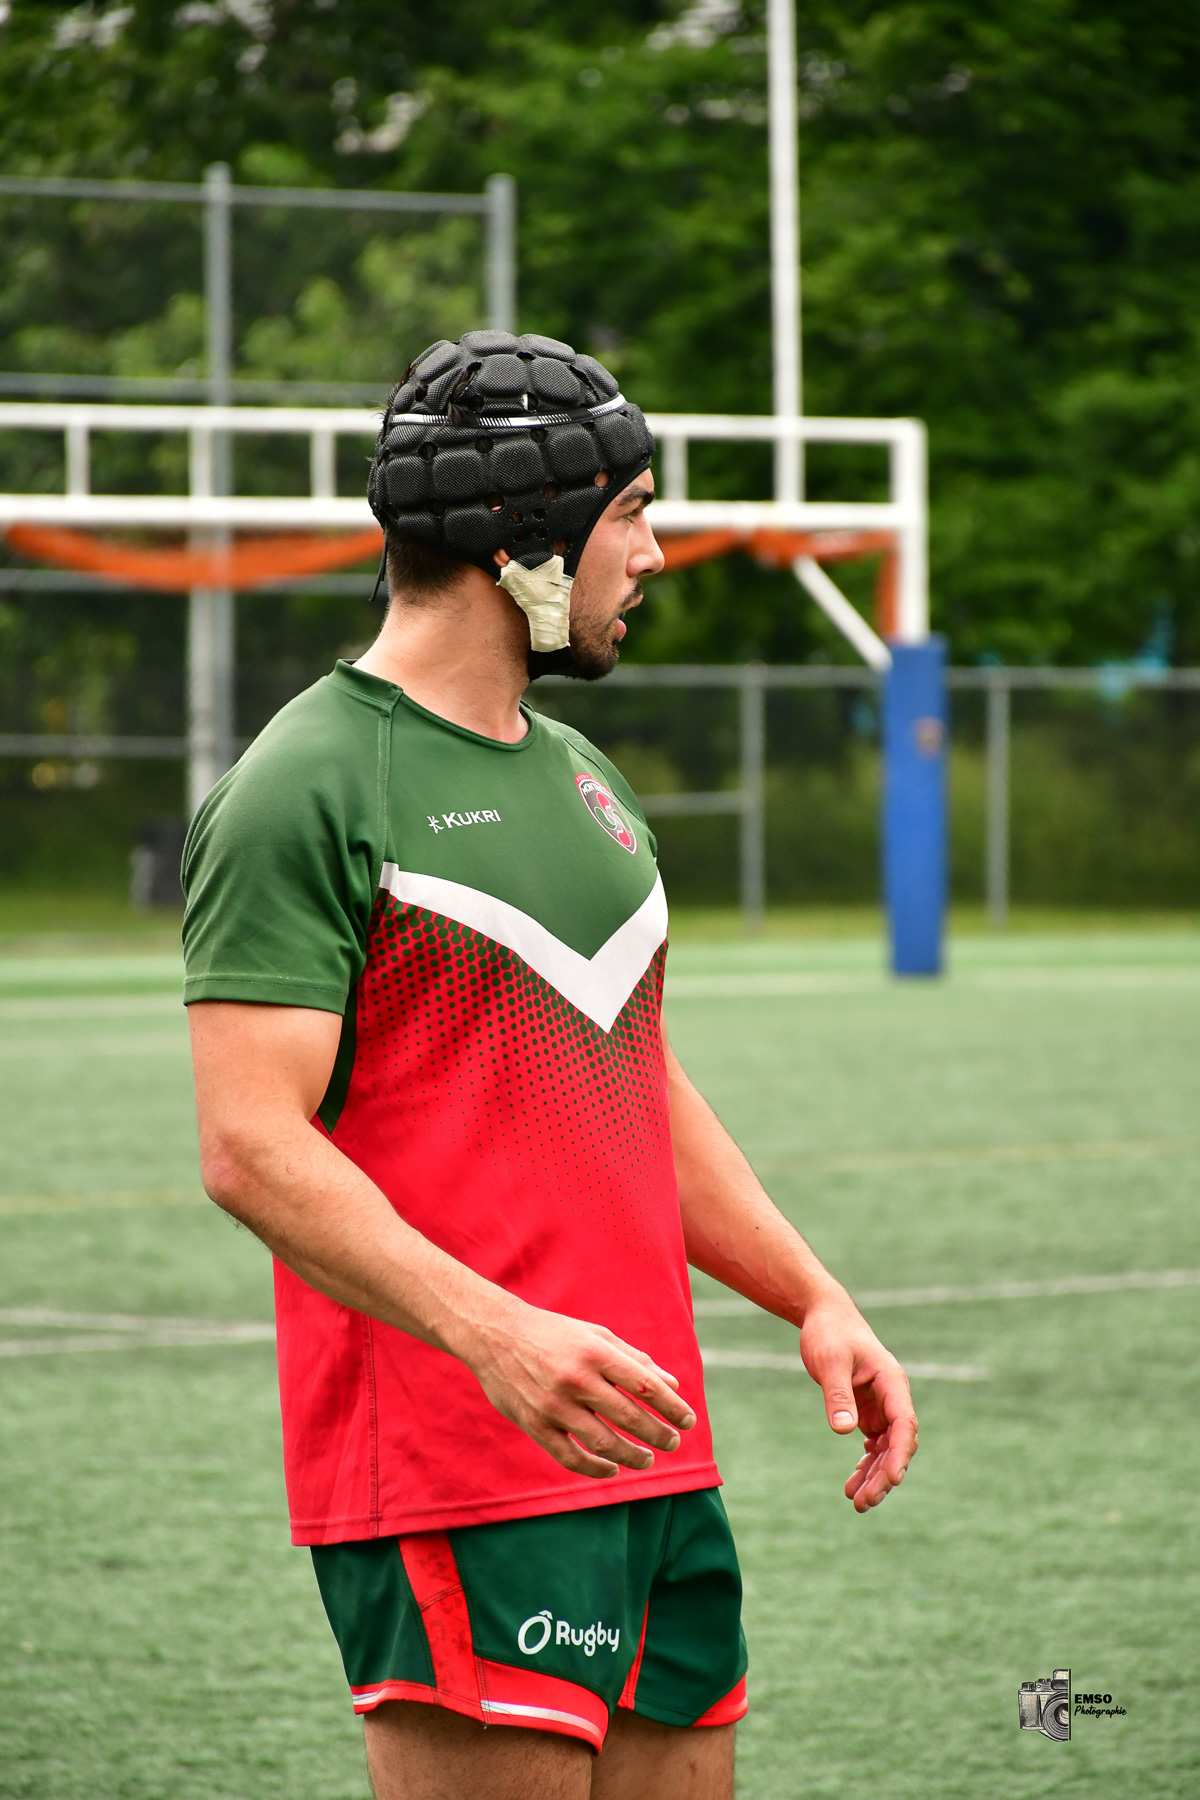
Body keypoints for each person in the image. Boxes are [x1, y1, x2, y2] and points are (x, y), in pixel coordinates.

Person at [183, 331, 918, 1800]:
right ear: (525, 537)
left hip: (653, 1450)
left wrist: (812, 1295)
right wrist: (501, 1339)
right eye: (630, 512)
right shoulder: (306, 784)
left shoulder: (586, 778)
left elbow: (636, 1076)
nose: (651, 553)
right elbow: (251, 1146)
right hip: (462, 1463)